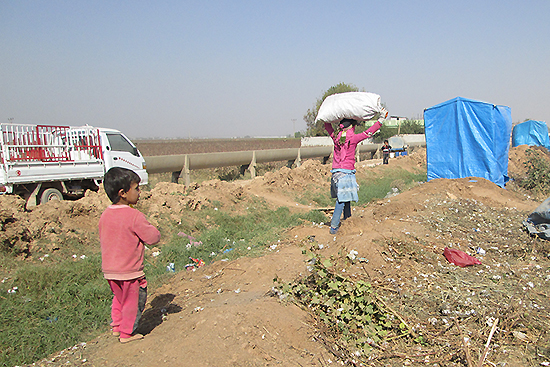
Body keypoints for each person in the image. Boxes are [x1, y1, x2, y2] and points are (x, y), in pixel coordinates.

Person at [99, 167, 161, 343]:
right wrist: (156, 231)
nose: (139, 192)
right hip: (129, 270)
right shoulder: (133, 215)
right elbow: (152, 238)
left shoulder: (105, 214)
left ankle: (117, 327)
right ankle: (127, 333)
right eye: (136, 188)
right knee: (133, 301)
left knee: (119, 299)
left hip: (110, 270)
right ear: (123, 193)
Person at [324, 110, 387, 234]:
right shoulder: (353, 138)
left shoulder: (336, 137)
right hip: (346, 174)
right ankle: (334, 228)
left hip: (336, 173)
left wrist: (327, 117)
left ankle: (348, 222)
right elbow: (369, 132)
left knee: (346, 200)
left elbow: (327, 126)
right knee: (341, 201)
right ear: (352, 126)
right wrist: (381, 120)